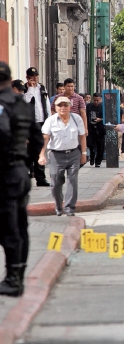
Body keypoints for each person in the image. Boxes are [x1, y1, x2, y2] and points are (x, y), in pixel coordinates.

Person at [0, 62, 43, 297]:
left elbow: (2, 132)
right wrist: (26, 164)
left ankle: (13, 278)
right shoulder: (24, 105)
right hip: (20, 172)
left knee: (8, 227)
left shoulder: (2, 104)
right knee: (20, 226)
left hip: (5, 173)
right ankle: (18, 275)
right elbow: (37, 140)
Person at [39, 96, 87, 217]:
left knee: (73, 180)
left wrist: (84, 153)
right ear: (55, 107)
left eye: (66, 105)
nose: (63, 108)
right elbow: (45, 138)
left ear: (70, 106)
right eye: (60, 105)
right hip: (56, 155)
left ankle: (70, 207)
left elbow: (82, 136)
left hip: (73, 154)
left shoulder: (76, 119)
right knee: (55, 182)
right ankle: (58, 206)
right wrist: (42, 155)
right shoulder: (50, 121)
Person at [24, 67, 51, 187]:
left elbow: (47, 105)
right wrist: (30, 88)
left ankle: (41, 178)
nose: (34, 78)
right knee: (29, 151)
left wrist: (49, 120)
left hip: (42, 123)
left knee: (40, 150)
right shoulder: (24, 89)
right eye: (31, 76)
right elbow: (25, 101)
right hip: (29, 124)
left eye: (36, 76)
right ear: (27, 77)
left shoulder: (42, 88)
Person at [86, 93, 106, 167]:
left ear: (100, 99)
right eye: (95, 100)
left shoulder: (103, 107)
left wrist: (100, 119)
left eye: (98, 100)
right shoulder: (89, 106)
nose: (96, 102)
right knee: (91, 145)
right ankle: (92, 157)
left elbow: (107, 117)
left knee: (100, 146)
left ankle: (98, 162)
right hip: (91, 129)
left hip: (100, 129)